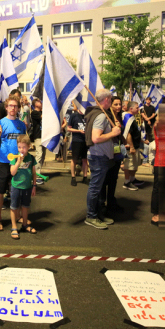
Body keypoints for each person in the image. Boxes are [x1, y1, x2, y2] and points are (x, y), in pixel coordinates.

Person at [84, 89, 120, 230]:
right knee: (95, 188)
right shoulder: (101, 116)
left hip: (99, 156)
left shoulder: (96, 113)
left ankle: (97, 214)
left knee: (98, 189)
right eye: (110, 100)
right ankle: (91, 216)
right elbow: (96, 138)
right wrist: (113, 133)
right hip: (98, 156)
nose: (111, 102)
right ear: (106, 100)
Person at [0, 96, 27, 230]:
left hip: (17, 162)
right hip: (3, 162)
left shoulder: (21, 125)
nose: (13, 108)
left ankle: (17, 216)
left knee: (16, 191)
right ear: (6, 107)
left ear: (18, 108)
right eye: (10, 105)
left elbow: (24, 143)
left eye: (15, 106)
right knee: (0, 192)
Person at [9, 134, 37, 239]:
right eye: (19, 147)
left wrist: (34, 186)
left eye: (24, 147)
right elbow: (12, 172)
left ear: (29, 147)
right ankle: (14, 227)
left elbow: (34, 173)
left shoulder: (31, 158)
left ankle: (25, 224)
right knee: (14, 207)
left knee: (26, 206)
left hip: (27, 187)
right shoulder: (14, 157)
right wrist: (18, 162)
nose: (21, 149)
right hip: (16, 186)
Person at [100, 96, 124, 214]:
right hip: (107, 151)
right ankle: (102, 204)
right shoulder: (105, 116)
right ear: (110, 105)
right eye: (115, 104)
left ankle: (111, 202)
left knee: (113, 179)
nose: (118, 107)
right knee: (105, 179)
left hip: (117, 151)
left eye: (120, 104)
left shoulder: (120, 116)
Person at [122, 101, 143, 190]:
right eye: (137, 107)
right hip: (131, 147)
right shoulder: (128, 118)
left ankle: (132, 179)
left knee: (134, 165)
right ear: (131, 109)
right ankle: (127, 182)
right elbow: (128, 134)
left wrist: (142, 141)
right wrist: (131, 147)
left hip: (136, 145)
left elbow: (135, 132)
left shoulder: (132, 117)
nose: (138, 109)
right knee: (128, 165)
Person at [67, 102, 88, 186]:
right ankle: (73, 177)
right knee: (74, 159)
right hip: (77, 140)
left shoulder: (87, 116)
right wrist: (79, 131)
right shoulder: (74, 115)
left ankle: (85, 177)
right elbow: (69, 129)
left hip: (86, 141)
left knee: (85, 159)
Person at [30, 98, 45, 185]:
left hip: (44, 136)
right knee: (39, 155)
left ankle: (38, 173)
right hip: (38, 136)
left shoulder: (42, 112)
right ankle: (35, 175)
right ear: (36, 104)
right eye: (39, 101)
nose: (41, 102)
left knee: (43, 155)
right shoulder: (34, 113)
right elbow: (43, 117)